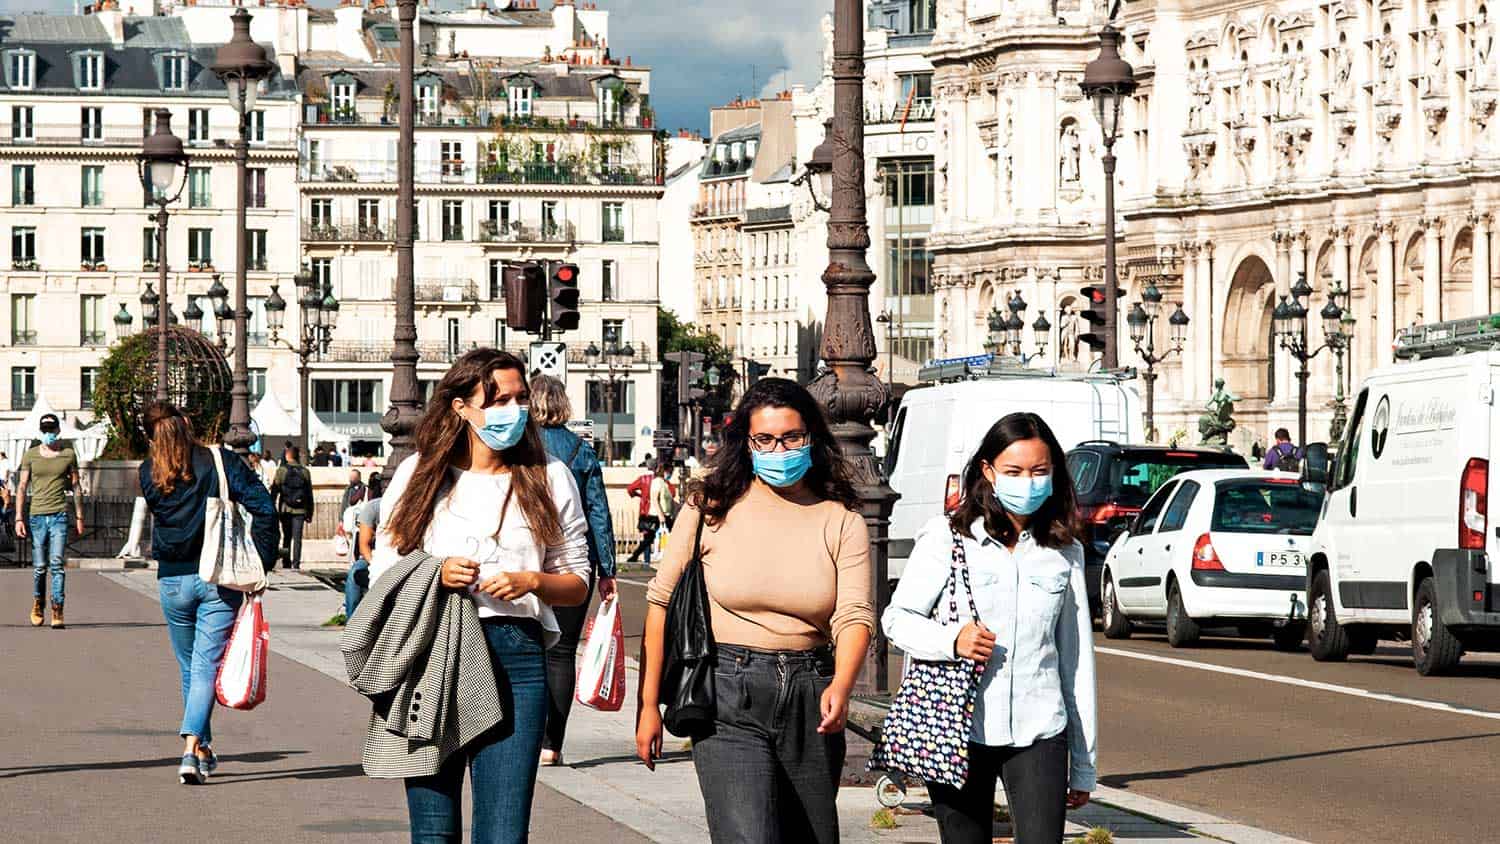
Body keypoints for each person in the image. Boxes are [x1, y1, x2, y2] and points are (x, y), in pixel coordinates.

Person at [636, 378, 874, 844]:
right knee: (748, 835)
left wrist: (842, 686)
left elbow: (855, 616)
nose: (778, 449)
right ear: (745, 443)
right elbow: (659, 603)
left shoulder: (841, 518)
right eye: (764, 439)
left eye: (791, 437)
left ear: (812, 438)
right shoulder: (711, 505)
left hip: (811, 691)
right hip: (727, 689)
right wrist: (647, 706)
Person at [369, 348, 590, 843]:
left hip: (517, 654)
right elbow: (382, 573)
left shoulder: (549, 474)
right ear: (460, 407)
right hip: (433, 653)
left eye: (519, 398)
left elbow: (577, 583)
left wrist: (531, 581)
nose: (512, 410)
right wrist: (435, 572)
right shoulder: (420, 475)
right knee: (432, 829)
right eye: (496, 399)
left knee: (504, 832)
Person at [883, 412, 1097, 844]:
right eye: (1014, 471)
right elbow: (896, 619)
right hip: (958, 727)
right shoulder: (948, 537)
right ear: (988, 471)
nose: (1028, 481)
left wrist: (1084, 762)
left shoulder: (1064, 550)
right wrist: (952, 640)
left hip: (1040, 727)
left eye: (1039, 471)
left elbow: (1076, 660)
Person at [138, 402, 278, 785]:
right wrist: (262, 561)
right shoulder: (220, 461)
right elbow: (264, 508)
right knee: (204, 668)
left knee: (190, 667)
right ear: (185, 424)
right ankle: (189, 750)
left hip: (172, 581)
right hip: (218, 576)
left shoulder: (148, 472)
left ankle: (202, 747)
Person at [529, 375, 618, 765]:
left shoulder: (518, 446)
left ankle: (523, 737)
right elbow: (599, 513)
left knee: (522, 648)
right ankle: (552, 744)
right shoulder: (581, 452)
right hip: (571, 562)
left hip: (526, 559)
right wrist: (607, 570)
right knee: (561, 654)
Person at [14, 414, 84, 629]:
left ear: (58, 431)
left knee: (56, 564)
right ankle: (38, 601)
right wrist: (19, 517)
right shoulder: (31, 455)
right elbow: (22, 486)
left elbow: (76, 486)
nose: (48, 434)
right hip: (36, 516)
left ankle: (57, 608)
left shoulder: (68, 454)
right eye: (45, 430)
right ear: (40, 431)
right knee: (40, 567)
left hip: (59, 516)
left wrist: (80, 516)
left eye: (51, 430)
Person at [344, 472, 383, 620]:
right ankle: (352, 621)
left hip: (400, 558)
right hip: (374, 557)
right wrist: (376, 564)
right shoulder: (374, 508)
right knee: (354, 574)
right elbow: (364, 546)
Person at [271, 445, 314, 570]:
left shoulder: (281, 470)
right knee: (298, 538)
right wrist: (310, 512)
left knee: (286, 537)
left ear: (287, 456)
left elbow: (275, 490)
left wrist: (272, 507)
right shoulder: (305, 471)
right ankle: (296, 563)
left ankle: (286, 562)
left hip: (285, 508)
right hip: (300, 510)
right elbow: (309, 494)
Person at [625, 460, 660, 563]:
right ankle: (644, 558)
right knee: (652, 536)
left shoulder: (643, 479)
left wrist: (639, 495)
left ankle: (645, 558)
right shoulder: (659, 479)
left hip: (645, 510)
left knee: (647, 535)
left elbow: (630, 489)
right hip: (657, 510)